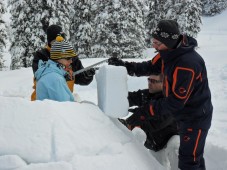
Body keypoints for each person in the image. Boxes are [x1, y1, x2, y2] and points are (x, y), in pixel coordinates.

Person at [108, 20, 213, 170]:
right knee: (194, 157)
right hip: (184, 115)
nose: (154, 46)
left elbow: (175, 102)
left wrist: (147, 110)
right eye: (153, 41)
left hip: (195, 118)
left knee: (189, 162)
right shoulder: (167, 53)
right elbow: (150, 67)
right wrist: (126, 66)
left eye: (157, 43)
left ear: (169, 42)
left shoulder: (186, 64)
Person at [31, 25, 95, 101]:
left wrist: (87, 75)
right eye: (55, 41)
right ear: (49, 42)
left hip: (64, 97)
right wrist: (63, 73)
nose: (59, 43)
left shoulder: (69, 56)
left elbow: (81, 77)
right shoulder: (41, 55)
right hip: (44, 102)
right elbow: (43, 75)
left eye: (61, 40)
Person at [119, 74, 178, 152]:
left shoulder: (171, 102)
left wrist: (129, 125)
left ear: (164, 84)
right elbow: (130, 98)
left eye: (153, 81)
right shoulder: (148, 95)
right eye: (149, 80)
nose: (149, 83)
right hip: (155, 145)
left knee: (176, 146)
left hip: (169, 143)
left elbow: (155, 124)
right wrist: (115, 96)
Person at [35, 36, 76, 101]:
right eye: (68, 58)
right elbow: (66, 107)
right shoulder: (56, 79)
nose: (71, 61)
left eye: (72, 58)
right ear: (58, 58)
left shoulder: (49, 72)